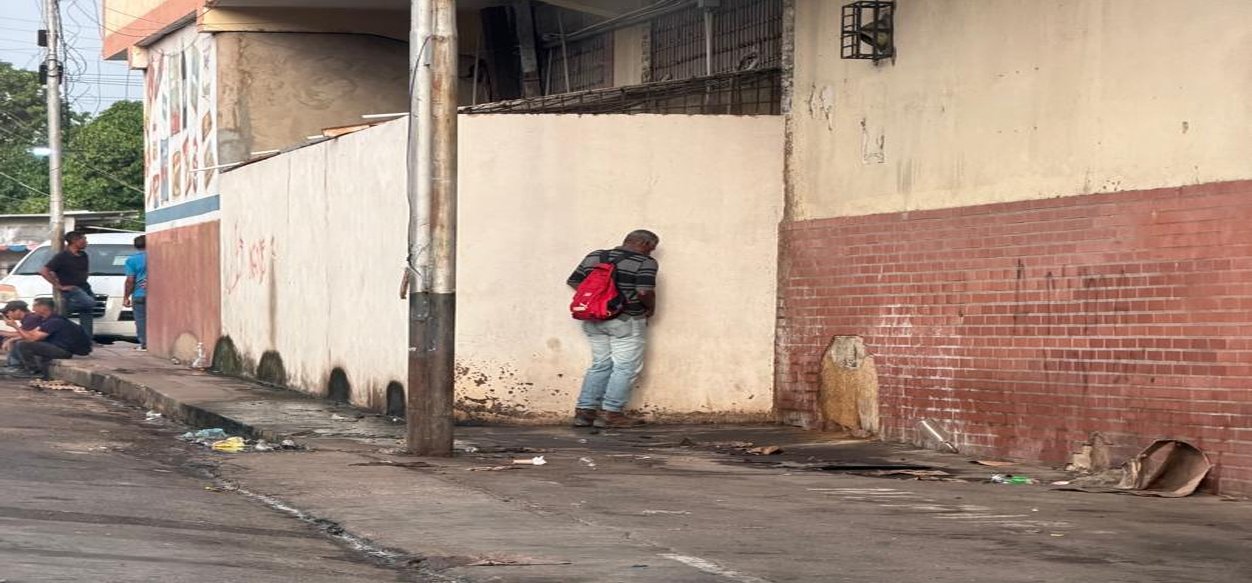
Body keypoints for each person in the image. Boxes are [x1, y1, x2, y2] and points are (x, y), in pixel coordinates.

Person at [566, 229, 659, 429]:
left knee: (600, 364)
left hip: (593, 319)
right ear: (644, 244)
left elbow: (574, 281)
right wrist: (649, 309)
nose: (651, 253)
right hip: (627, 319)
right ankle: (611, 413)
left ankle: (584, 413)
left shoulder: (596, 255)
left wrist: (600, 301)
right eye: (651, 248)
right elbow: (644, 291)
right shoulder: (645, 262)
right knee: (625, 368)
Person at [12, 298, 92, 378]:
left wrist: (16, 327)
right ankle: (21, 368)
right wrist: (15, 336)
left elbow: (32, 338)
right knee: (22, 342)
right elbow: (31, 334)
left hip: (64, 351)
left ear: (43, 308)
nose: (32, 309)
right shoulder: (46, 320)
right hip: (57, 347)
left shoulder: (54, 321)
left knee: (24, 344)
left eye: (35, 306)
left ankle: (34, 371)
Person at [39, 231, 96, 341]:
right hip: (72, 289)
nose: (86, 242)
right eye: (83, 239)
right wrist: (58, 285)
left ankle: (87, 340)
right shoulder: (62, 256)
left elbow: (85, 271)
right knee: (90, 303)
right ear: (74, 241)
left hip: (84, 286)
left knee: (87, 312)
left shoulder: (83, 255)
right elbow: (45, 271)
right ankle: (59, 313)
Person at [0, 300, 45, 372]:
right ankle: (12, 365)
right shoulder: (27, 318)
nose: (8, 315)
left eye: (8, 312)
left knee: (16, 342)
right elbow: (20, 333)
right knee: (8, 339)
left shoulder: (31, 318)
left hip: (42, 344)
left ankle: (16, 367)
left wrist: (11, 331)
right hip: (36, 342)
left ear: (18, 311)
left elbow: (26, 335)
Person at [123, 234, 148, 351]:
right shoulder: (156, 257)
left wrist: (126, 297)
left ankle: (144, 344)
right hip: (157, 295)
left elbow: (130, 280)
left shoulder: (131, 260)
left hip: (139, 294)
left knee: (141, 320)